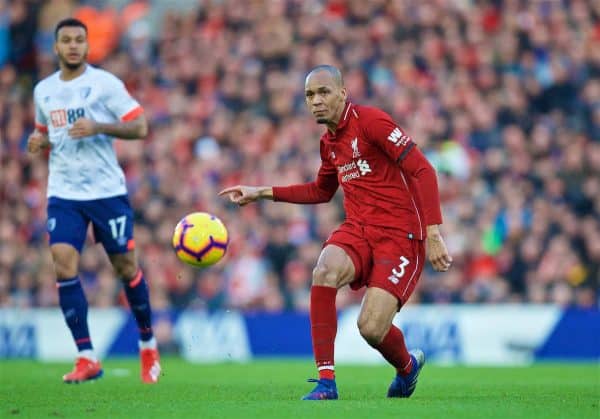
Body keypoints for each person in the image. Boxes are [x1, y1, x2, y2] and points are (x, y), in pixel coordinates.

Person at [220, 65, 452, 400]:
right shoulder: (328, 144)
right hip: (358, 229)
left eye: (323, 92)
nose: (316, 100)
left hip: (400, 234)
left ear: (343, 93)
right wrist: (262, 191)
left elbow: (423, 169)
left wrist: (433, 234)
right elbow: (320, 191)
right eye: (309, 95)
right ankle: (326, 382)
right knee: (324, 269)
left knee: (370, 328)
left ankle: (407, 367)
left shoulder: (372, 122)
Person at [27, 18, 161, 384]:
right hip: (64, 193)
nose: (73, 46)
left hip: (106, 192)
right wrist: (38, 142)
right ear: (56, 48)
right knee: (63, 262)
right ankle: (87, 356)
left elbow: (140, 126)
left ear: (87, 46)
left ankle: (148, 344)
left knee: (125, 268)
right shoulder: (44, 91)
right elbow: (45, 131)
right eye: (66, 41)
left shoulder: (104, 84)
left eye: (79, 40)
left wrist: (99, 126)